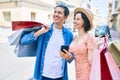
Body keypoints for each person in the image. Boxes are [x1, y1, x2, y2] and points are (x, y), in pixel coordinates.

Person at [20, 5, 73, 80]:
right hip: (43, 75)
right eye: (55, 12)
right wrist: (40, 32)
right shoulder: (44, 29)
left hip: (60, 76)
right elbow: (23, 41)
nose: (56, 14)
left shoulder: (69, 34)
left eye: (59, 13)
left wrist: (69, 56)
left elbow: (71, 57)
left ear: (66, 17)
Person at [60, 7, 96, 80]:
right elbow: (72, 57)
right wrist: (67, 55)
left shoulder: (89, 37)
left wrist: (97, 47)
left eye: (78, 19)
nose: (74, 21)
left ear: (84, 22)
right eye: (75, 18)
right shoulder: (75, 37)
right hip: (78, 72)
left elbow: (91, 60)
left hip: (87, 73)